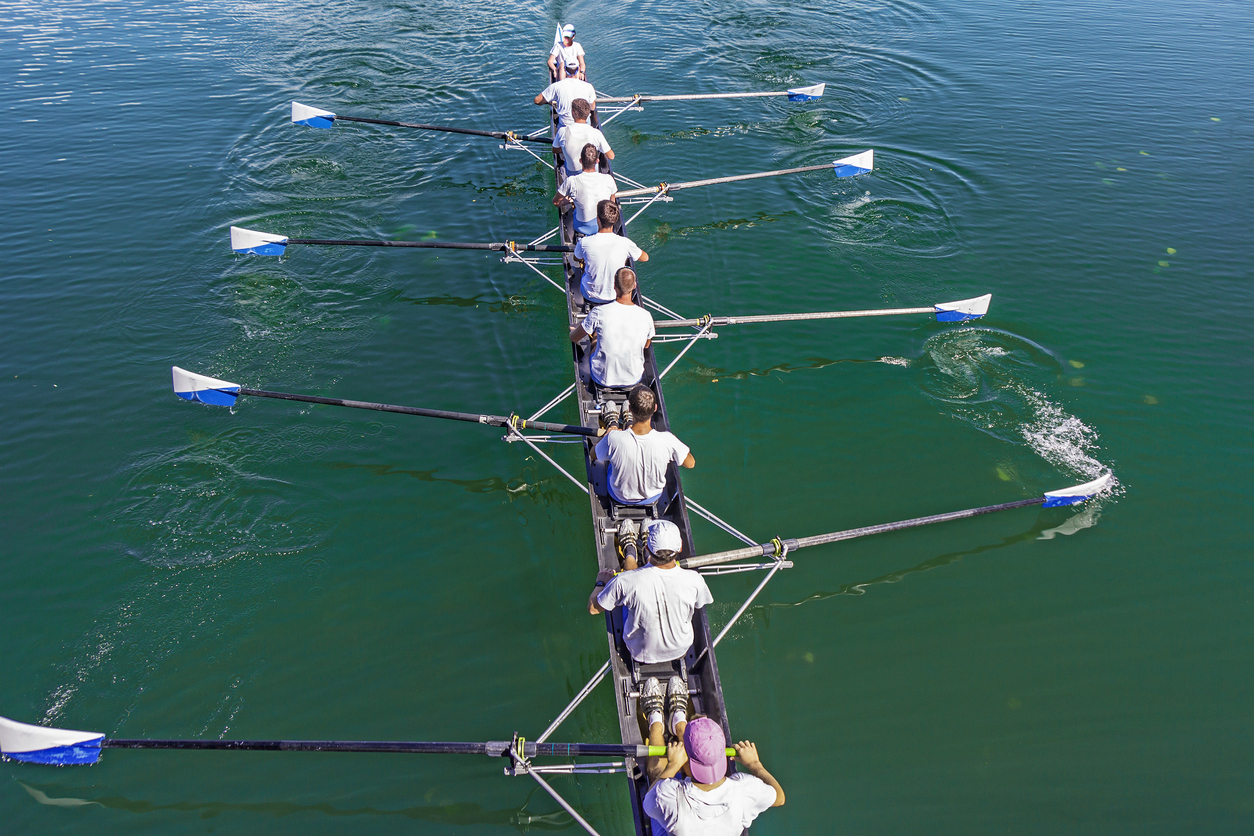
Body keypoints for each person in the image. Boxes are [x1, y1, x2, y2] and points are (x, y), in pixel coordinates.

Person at [588, 520, 712, 663]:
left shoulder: (624, 581)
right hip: (681, 649)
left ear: (648, 547)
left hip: (640, 652)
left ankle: (630, 550)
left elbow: (593, 609)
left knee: (631, 579)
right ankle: (636, 553)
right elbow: (699, 604)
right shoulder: (695, 580)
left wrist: (601, 582)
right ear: (680, 547)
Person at [643, 716, 785, 836]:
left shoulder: (667, 793)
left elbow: (648, 804)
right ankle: (679, 725)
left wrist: (673, 765)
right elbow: (779, 798)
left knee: (657, 774)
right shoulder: (745, 789)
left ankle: (657, 724)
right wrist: (754, 763)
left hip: (674, 814)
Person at [593, 384, 694, 506]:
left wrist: (608, 435)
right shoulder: (668, 440)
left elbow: (593, 454)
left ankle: (613, 423)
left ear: (630, 408)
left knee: (609, 455)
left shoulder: (613, 438)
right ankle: (629, 422)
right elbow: (690, 463)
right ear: (655, 408)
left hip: (619, 495)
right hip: (653, 496)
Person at [571, 267, 655, 388]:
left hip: (602, 378)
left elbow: (574, 338)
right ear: (635, 286)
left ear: (614, 286)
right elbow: (646, 345)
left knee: (595, 336)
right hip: (634, 378)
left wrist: (573, 329)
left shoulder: (599, 312)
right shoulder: (646, 316)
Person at [571, 200, 647, 304]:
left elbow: (576, 258)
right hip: (615, 296)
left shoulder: (584, 242)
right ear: (615, 221)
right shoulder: (625, 243)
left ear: (598, 219)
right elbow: (645, 258)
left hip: (589, 294)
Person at [554, 145, 618, 236]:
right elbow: (612, 203)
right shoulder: (609, 179)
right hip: (602, 225)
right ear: (597, 161)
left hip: (582, 227)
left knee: (575, 208)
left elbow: (556, 202)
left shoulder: (571, 181)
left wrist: (564, 201)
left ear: (580, 161)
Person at [552, 98, 613, 176]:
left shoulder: (562, 131)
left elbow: (555, 150)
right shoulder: (596, 133)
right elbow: (611, 156)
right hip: (591, 171)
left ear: (573, 112)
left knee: (564, 162)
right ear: (588, 114)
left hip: (572, 172)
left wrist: (565, 148)